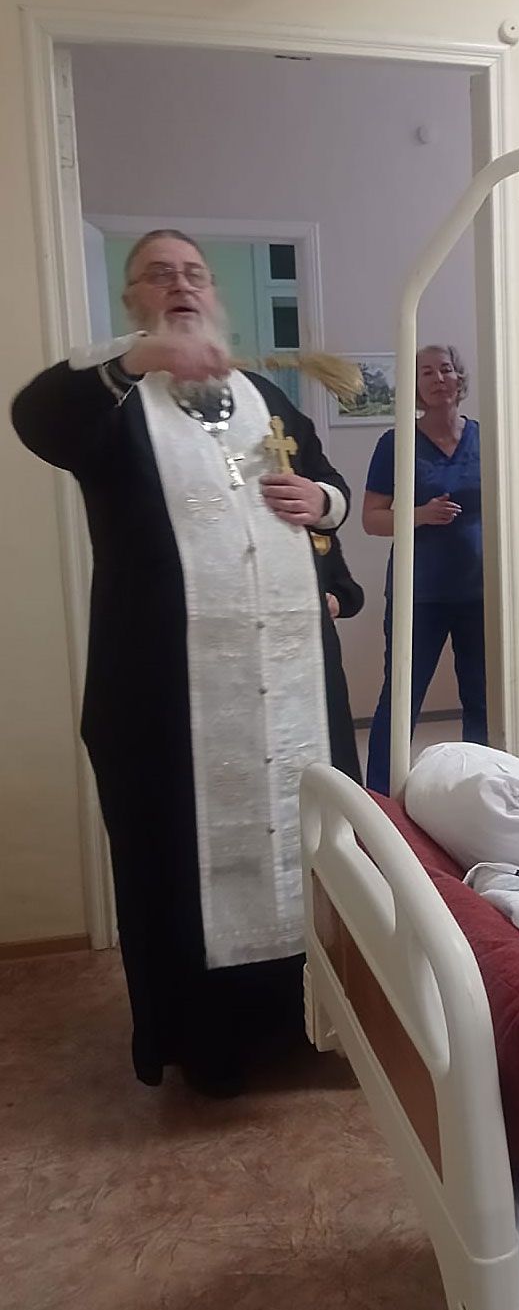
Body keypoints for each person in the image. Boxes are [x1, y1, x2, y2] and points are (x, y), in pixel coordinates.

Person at [10, 229, 360, 1097]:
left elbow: (330, 488)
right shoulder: (113, 399)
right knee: (183, 863)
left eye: (194, 273)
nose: (181, 285)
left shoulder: (264, 397)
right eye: (159, 274)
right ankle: (211, 1047)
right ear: (132, 299)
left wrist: (322, 500)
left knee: (312, 846)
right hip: (171, 699)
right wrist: (141, 359)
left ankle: (315, 1023)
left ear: (215, 294)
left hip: (295, 690)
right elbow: (37, 418)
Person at [362, 344, 486, 794]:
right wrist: (418, 515)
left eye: (446, 369)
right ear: (414, 387)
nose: (438, 379)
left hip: (480, 593)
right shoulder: (395, 443)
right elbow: (371, 519)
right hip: (418, 595)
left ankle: (479, 788)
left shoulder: (484, 437)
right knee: (400, 700)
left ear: (459, 378)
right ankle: (380, 799)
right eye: (426, 372)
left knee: (483, 700)